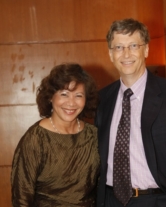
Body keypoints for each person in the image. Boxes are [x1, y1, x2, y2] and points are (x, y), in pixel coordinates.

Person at [95, 18, 166, 207]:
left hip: (159, 200)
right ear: (111, 54)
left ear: (145, 49)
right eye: (119, 47)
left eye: (133, 45)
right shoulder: (102, 99)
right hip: (110, 200)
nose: (126, 53)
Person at [11, 63, 100, 207]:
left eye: (78, 95)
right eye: (64, 94)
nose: (71, 103)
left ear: (86, 99)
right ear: (51, 97)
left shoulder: (93, 135)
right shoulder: (35, 139)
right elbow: (21, 197)